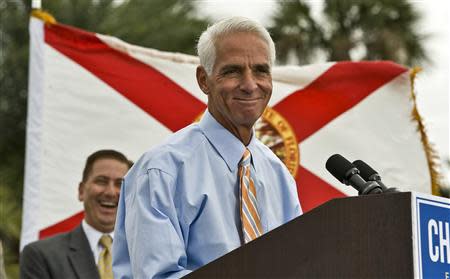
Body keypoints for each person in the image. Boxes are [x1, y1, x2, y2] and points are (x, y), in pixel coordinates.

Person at [112, 16, 302, 278]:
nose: (249, 85)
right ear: (204, 79)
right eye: (233, 71)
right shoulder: (161, 171)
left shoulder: (278, 175)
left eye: (260, 70)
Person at [20, 149, 132, 279]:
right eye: (101, 181)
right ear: (81, 191)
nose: (111, 192)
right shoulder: (41, 255)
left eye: (120, 184)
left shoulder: (146, 254)